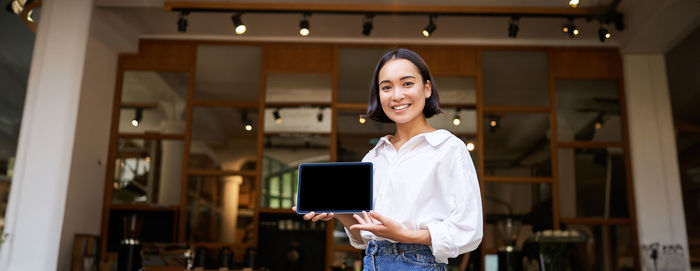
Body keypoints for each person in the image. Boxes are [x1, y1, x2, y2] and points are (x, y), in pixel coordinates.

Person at [293, 48, 483, 270]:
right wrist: (338, 213)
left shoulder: (448, 148)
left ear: (427, 88)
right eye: (386, 87)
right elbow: (367, 233)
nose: (396, 95)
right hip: (372, 261)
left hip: (419, 264)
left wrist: (406, 235)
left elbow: (469, 229)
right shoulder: (374, 156)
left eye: (407, 83)